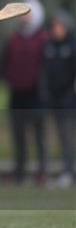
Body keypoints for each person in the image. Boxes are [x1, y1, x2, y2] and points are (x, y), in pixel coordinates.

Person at [3, 0, 48, 185]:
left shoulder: (44, 38)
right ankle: (20, 170)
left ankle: (41, 171)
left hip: (36, 94)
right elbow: (5, 62)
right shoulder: (13, 38)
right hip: (16, 94)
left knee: (39, 135)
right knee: (18, 135)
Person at [41, 11, 75, 188]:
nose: (55, 30)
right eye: (54, 26)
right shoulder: (49, 46)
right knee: (53, 138)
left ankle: (70, 171)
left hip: (68, 101)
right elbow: (44, 72)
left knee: (68, 137)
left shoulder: (72, 46)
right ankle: (59, 171)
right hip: (52, 100)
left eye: (59, 26)